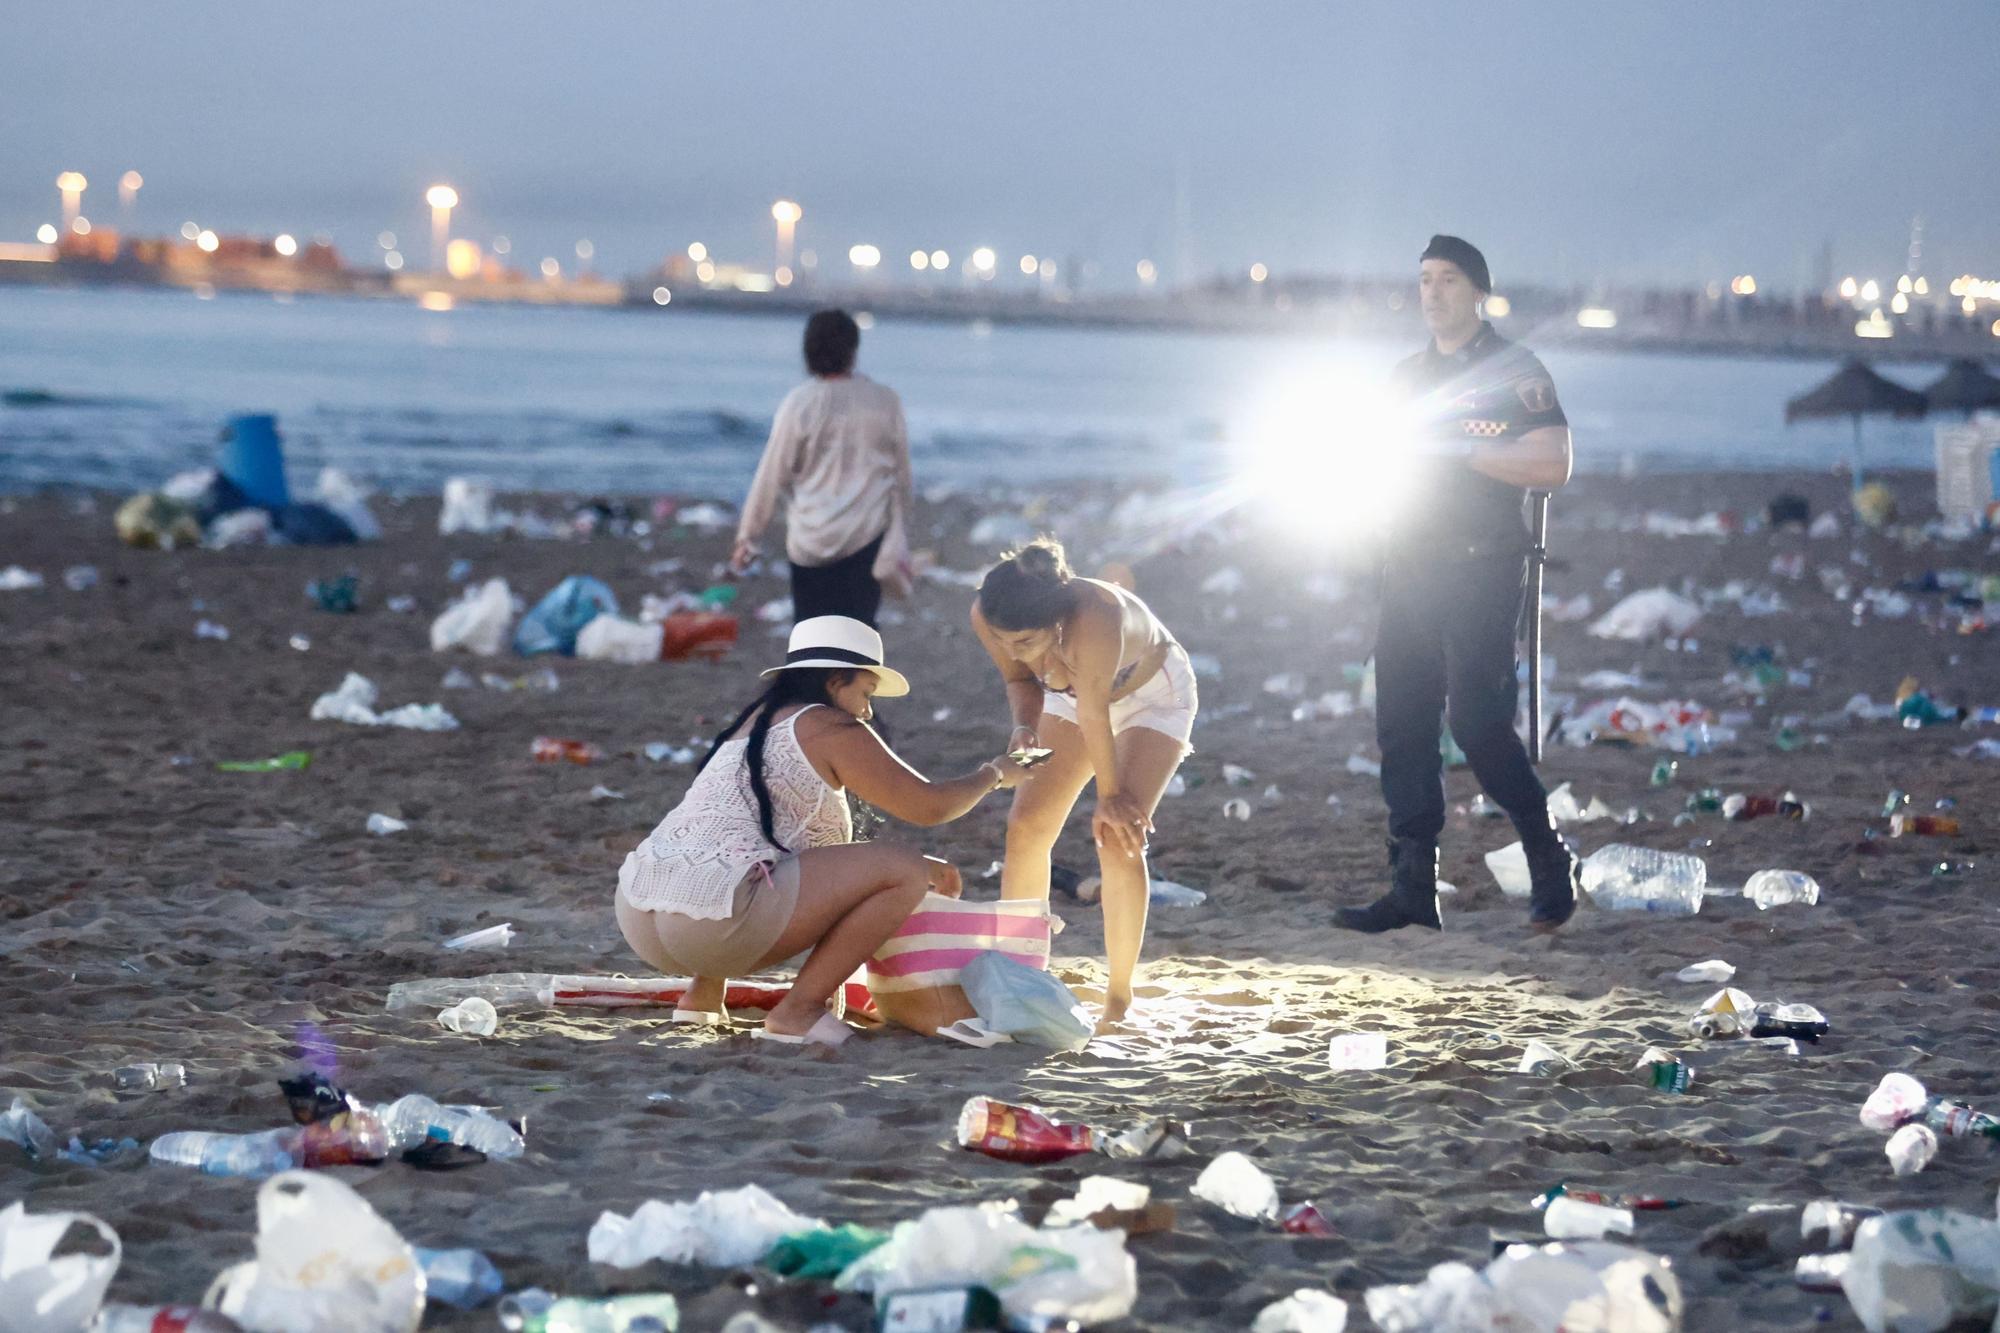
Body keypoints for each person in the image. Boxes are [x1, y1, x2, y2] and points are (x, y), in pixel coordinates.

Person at [615, 616, 1031, 1047]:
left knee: (738, 856)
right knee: (904, 869)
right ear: (836, 681)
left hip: (639, 909)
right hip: (714, 929)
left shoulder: (752, 723)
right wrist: (994, 774)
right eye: (866, 693)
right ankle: (798, 1011)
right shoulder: (828, 725)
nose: (869, 710)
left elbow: (755, 845)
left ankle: (700, 997)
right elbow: (929, 806)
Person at [1335, 234, 1583, 935]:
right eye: (1424, 281)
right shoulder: (1405, 377)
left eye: (1447, 280)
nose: (1433, 293)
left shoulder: (1515, 368)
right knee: (1403, 724)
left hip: (1483, 565)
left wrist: (1463, 451)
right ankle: (1413, 887)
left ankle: (1547, 852)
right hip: (1409, 564)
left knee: (1477, 721)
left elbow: (1554, 461)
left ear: (1478, 291)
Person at [971, 538, 1198, 1027]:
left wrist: (1111, 797)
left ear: (1056, 623)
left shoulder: (1097, 616)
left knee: (1117, 835)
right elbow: (1020, 681)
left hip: (1152, 697)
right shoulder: (990, 612)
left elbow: (1096, 712)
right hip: (1069, 696)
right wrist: (1023, 726)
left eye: (1025, 643)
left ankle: (1118, 996)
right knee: (1027, 824)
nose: (1013, 652)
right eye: (1001, 640)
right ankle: (1021, 977)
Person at [732, 309, 913, 627]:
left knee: (809, 637)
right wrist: (901, 529)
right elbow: (902, 477)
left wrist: (749, 536)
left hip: (810, 540)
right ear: (853, 351)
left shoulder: (799, 403)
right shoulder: (885, 401)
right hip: (865, 537)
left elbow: (771, 473)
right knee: (858, 636)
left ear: (808, 352)